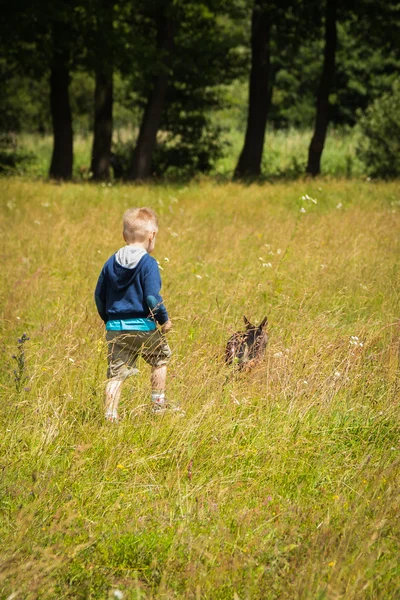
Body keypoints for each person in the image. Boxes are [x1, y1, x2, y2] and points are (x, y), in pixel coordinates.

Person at [95, 207, 174, 421]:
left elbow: (99, 296)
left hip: (115, 329)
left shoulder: (110, 262)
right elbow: (151, 297)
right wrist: (164, 319)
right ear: (152, 236)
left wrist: (108, 320)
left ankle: (110, 415)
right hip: (143, 327)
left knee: (116, 374)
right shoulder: (148, 263)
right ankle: (158, 405)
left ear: (124, 236)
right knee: (159, 359)